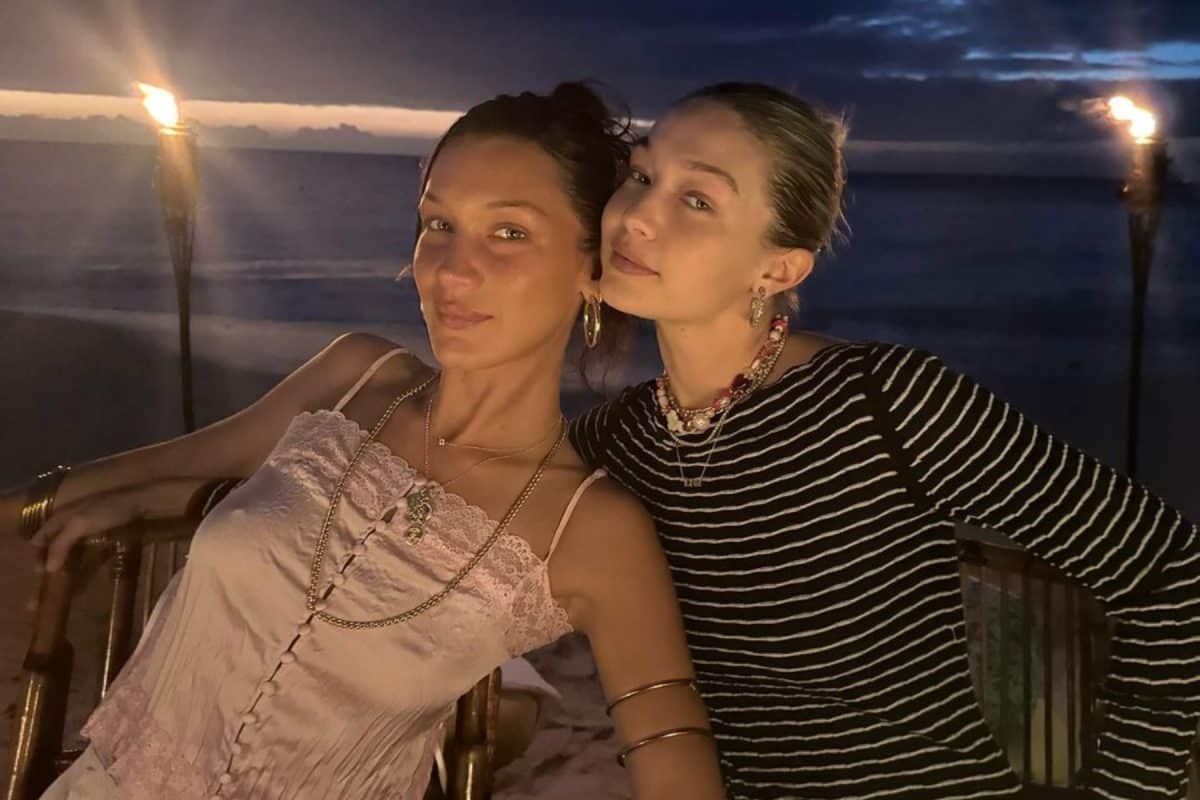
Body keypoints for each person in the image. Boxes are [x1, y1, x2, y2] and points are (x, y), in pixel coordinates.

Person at [5, 83, 726, 800]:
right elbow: (163, 466)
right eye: (438, 224)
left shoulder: (589, 529)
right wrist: (94, 502)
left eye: (509, 233)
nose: (452, 270)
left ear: (594, 269)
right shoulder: (357, 380)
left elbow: (671, 747)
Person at [570, 81, 1200, 799]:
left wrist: (1126, 789)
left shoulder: (884, 403)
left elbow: (1168, 569)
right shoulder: (617, 444)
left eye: (696, 200)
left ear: (778, 268)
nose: (637, 216)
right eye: (641, 175)